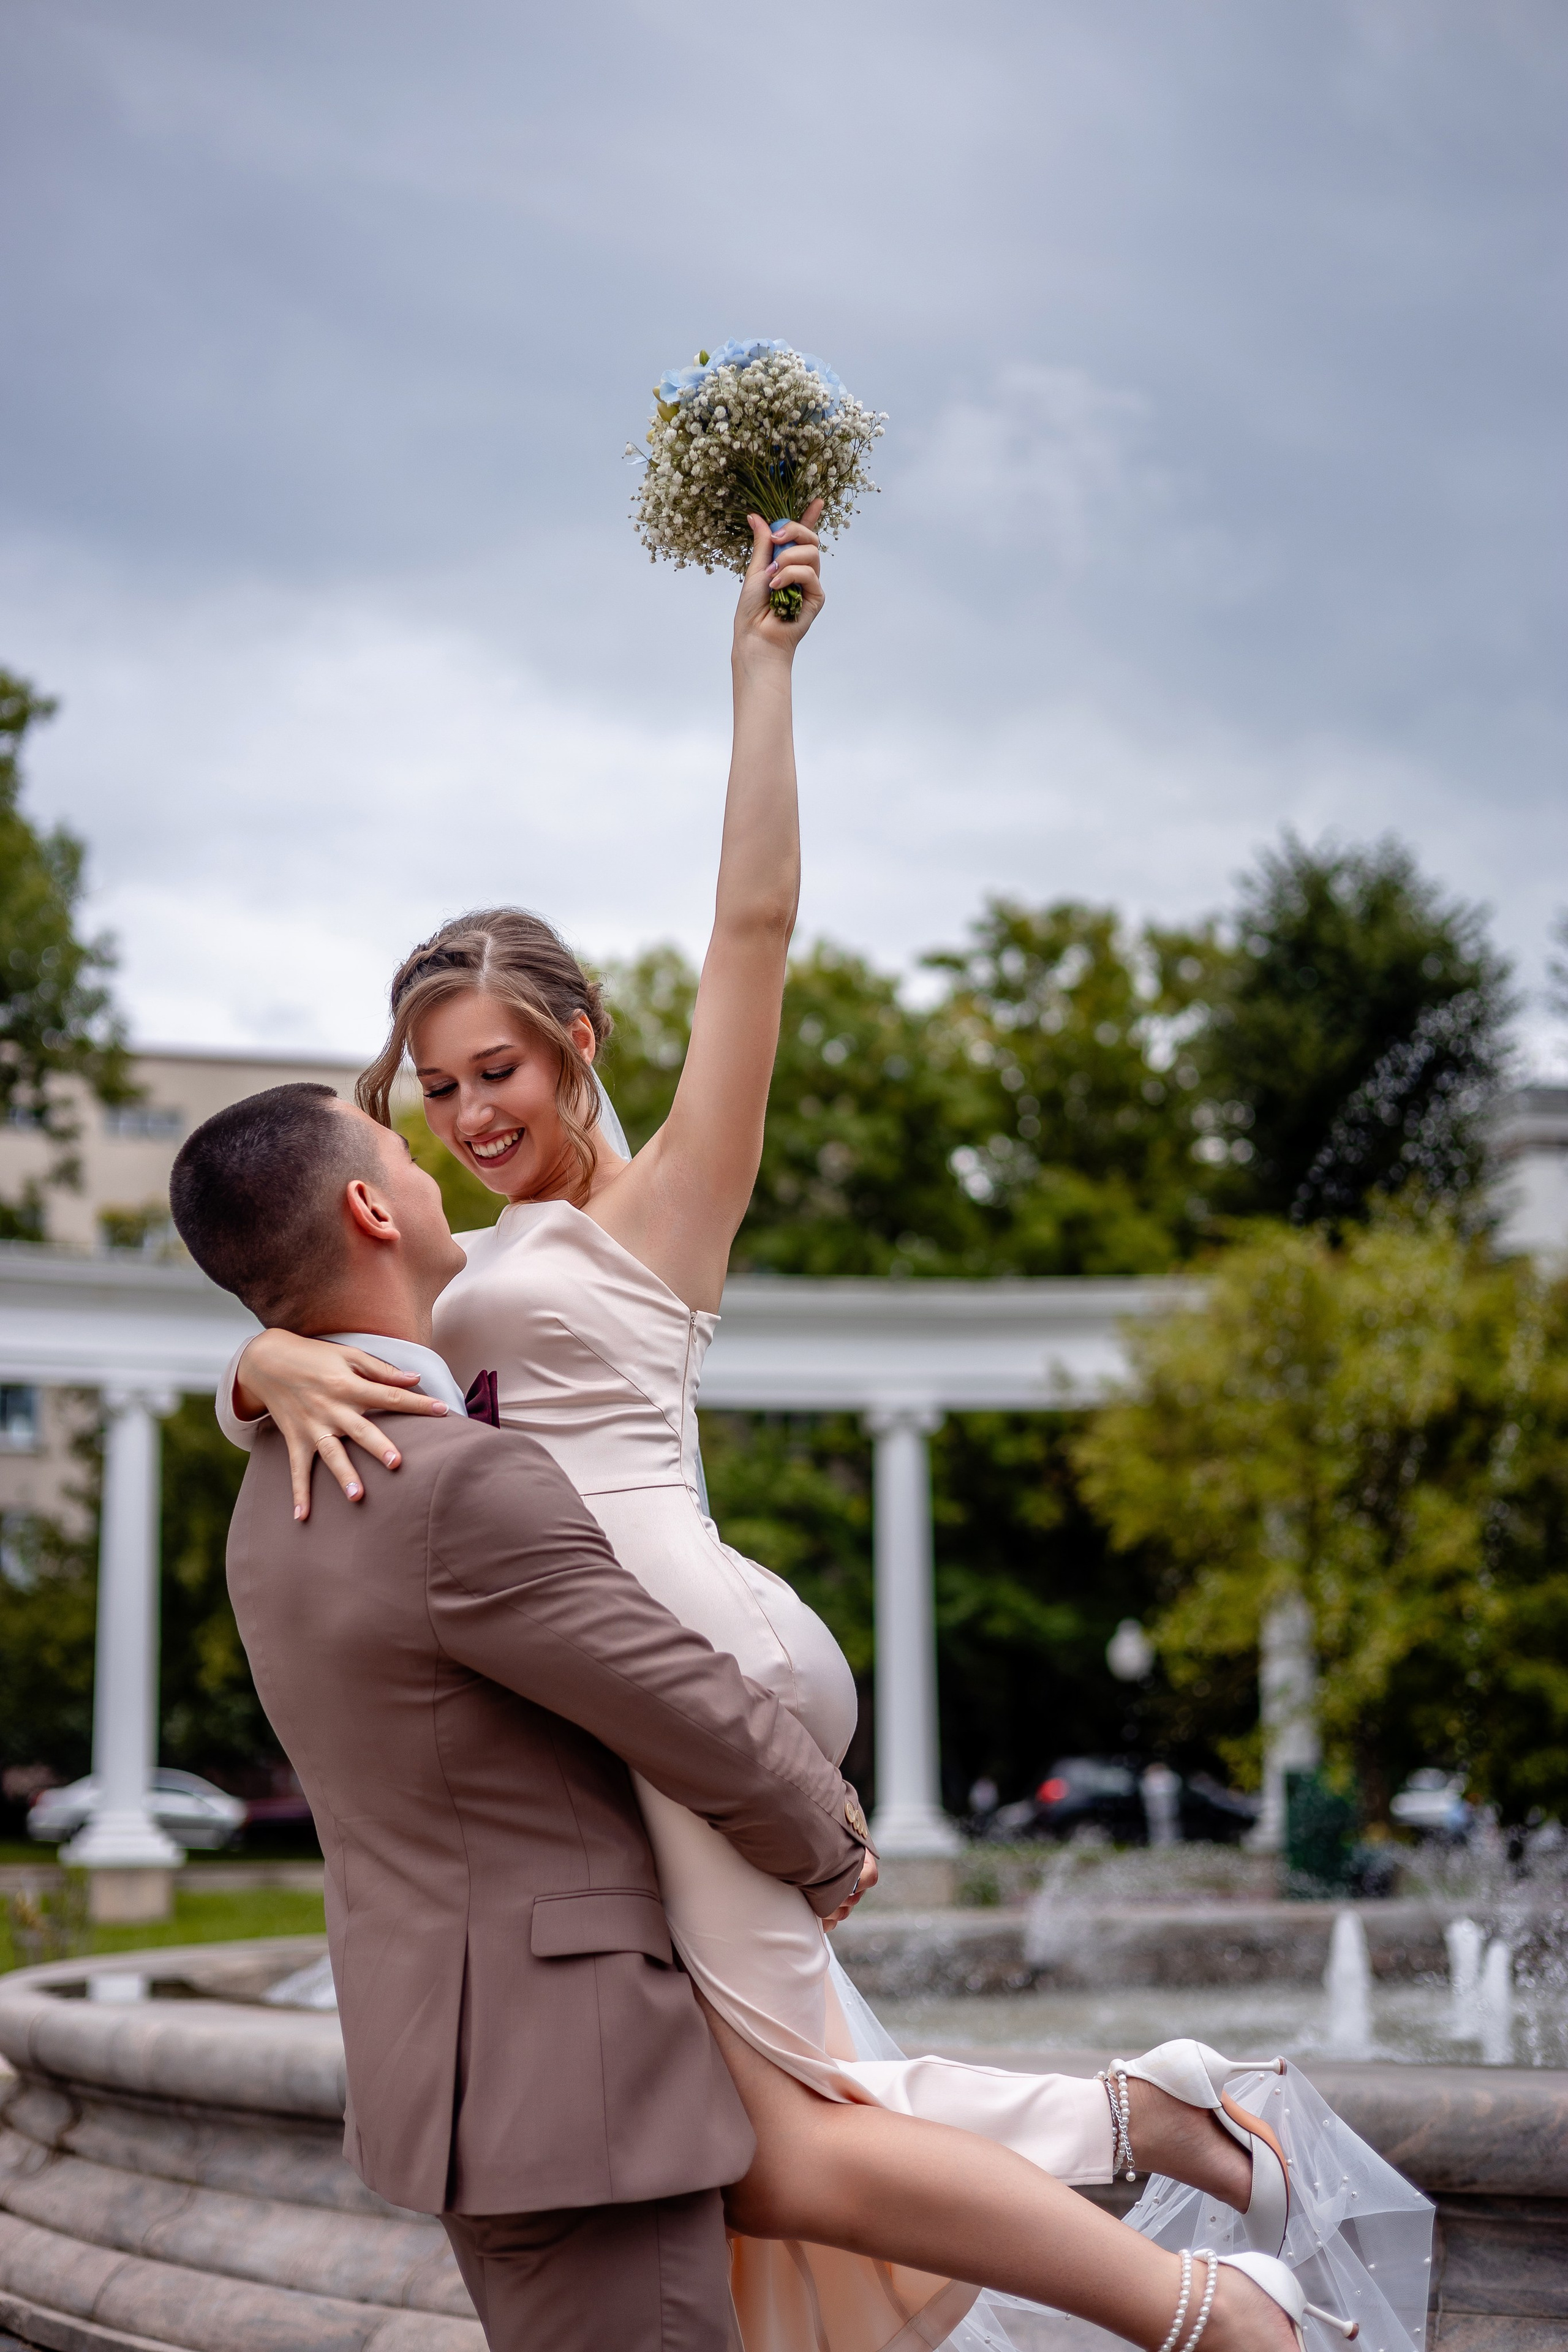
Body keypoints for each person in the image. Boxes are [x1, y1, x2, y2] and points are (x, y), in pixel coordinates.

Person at [217, 514, 1422, 2352]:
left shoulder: (658, 1212)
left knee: (792, 2119)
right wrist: (259, 1366)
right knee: (748, 2113)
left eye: (499, 1070)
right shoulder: (441, 1260)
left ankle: (1172, 2172)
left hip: (693, 1652)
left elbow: (753, 930)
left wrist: (760, 670)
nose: (466, 1114)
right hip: (604, 1672)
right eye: (436, 1087)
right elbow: (321, 1290)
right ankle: (1158, 2139)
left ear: (578, 1041)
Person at [170, 1081, 873, 2352]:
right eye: (404, 1145)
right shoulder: (452, 1481)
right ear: (371, 1207)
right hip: (569, 2085)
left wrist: (257, 1362)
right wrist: (827, 1836)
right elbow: (673, 1696)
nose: (436, 1157)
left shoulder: (269, 1488)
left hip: (450, 2075)